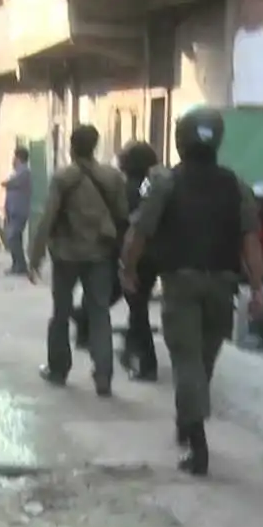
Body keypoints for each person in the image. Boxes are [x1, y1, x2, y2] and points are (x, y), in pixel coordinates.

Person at [122, 108, 263, 473]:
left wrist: (128, 268)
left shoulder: (165, 182)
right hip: (223, 283)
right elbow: (252, 242)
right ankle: (188, 421)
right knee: (203, 360)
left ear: (180, 139)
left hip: (182, 283)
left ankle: (196, 443)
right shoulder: (236, 185)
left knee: (188, 362)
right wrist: (258, 289)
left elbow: (141, 231)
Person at [28, 124, 127, 397]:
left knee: (61, 312)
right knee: (99, 314)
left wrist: (35, 257)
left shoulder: (63, 178)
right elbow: (122, 215)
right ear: (95, 146)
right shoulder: (112, 177)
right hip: (100, 255)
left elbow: (47, 218)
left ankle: (58, 369)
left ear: (71, 147)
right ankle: (104, 375)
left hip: (66, 254)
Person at [116, 142, 162, 382]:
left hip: (135, 253)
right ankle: (131, 351)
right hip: (154, 254)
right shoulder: (152, 186)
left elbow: (125, 225)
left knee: (137, 306)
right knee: (138, 304)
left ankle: (146, 362)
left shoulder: (129, 189)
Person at [2, 146, 33, 274]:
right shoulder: (18, 172)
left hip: (18, 211)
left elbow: (9, 183)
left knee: (12, 238)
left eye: (14, 158)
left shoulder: (24, 172)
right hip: (13, 210)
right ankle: (16, 265)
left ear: (19, 158)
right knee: (15, 238)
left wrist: (6, 183)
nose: (13, 160)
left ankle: (21, 265)